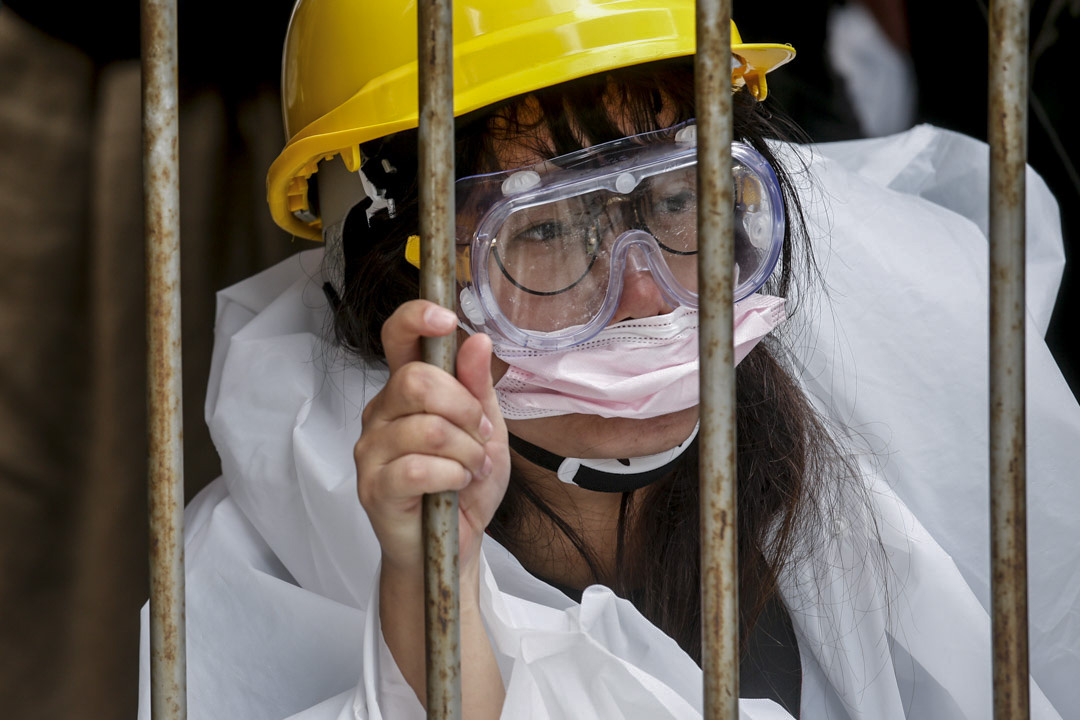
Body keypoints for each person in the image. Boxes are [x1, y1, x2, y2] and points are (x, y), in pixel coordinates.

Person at [138, 1, 1080, 718]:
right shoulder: (250, 575)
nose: (645, 294)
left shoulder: (903, 388)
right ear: (401, 282)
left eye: (677, 203)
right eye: (543, 229)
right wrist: (435, 603)